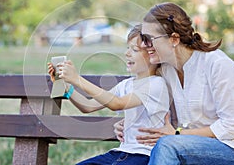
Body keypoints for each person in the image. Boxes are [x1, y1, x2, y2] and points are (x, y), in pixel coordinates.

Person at [114, 2, 234, 165]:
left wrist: (178, 134)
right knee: (167, 145)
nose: (144, 45)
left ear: (174, 39)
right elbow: (150, 98)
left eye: (148, 39)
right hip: (188, 147)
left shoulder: (217, 64)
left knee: (167, 145)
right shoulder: (166, 69)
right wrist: (130, 123)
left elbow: (231, 127)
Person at [47, 24, 170, 165]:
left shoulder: (156, 84)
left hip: (143, 156)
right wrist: (66, 86)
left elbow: (117, 104)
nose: (127, 53)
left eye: (134, 50)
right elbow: (88, 106)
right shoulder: (126, 85)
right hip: (121, 153)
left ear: (153, 54)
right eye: (127, 48)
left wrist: (77, 79)